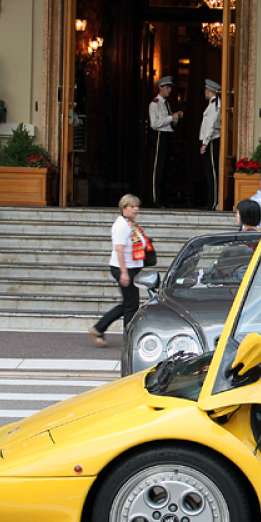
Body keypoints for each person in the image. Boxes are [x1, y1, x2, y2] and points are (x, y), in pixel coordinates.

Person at [88, 194, 148, 348]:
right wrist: (123, 272)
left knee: (130, 303)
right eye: (132, 206)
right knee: (131, 305)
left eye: (137, 206)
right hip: (124, 268)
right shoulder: (121, 225)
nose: (136, 209)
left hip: (132, 267)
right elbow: (119, 249)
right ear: (123, 208)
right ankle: (127, 338)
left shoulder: (130, 223)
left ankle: (99, 328)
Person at [148, 76, 182, 209]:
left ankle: (163, 199)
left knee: (165, 169)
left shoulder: (166, 104)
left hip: (167, 135)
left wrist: (176, 117)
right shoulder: (155, 104)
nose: (170, 90)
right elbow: (155, 124)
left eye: (170, 87)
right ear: (160, 88)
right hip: (159, 136)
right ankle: (155, 199)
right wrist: (170, 118)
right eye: (167, 87)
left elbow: (170, 123)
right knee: (157, 169)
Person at [198, 79, 222, 211]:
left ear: (208, 91)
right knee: (210, 173)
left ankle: (213, 202)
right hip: (210, 141)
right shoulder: (213, 104)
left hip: (212, 141)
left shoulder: (214, 105)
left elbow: (212, 125)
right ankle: (212, 201)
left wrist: (205, 143)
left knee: (212, 173)